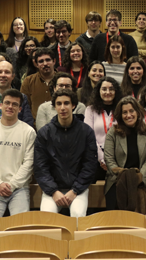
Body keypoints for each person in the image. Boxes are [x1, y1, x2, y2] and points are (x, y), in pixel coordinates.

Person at [34, 89, 98, 217]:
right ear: (54, 106)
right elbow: (41, 167)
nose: (63, 107)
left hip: (77, 189)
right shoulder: (44, 133)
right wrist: (53, 191)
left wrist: (75, 190)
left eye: (66, 103)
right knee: (47, 216)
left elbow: (90, 165)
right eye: (59, 104)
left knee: (77, 215)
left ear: (73, 105)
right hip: (53, 189)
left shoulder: (86, 132)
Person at [0, 89, 36, 217]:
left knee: (20, 226)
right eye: (7, 103)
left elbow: (29, 163)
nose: (10, 107)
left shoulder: (29, 132)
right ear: (0, 105)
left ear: (20, 109)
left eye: (14, 104)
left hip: (19, 188)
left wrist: (12, 185)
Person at [103, 96, 146, 210]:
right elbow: (109, 159)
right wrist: (125, 177)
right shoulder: (113, 133)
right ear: (120, 115)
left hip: (143, 179)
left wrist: (136, 178)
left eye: (131, 111)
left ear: (138, 112)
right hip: (117, 179)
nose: (128, 115)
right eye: (124, 112)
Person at [84, 77, 123, 179]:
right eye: (104, 89)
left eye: (111, 89)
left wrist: (110, 159)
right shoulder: (90, 110)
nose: (108, 92)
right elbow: (88, 136)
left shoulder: (121, 109)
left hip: (118, 156)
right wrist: (101, 158)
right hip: (96, 156)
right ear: (98, 91)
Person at [21, 48, 56, 119]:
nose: (45, 64)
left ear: (54, 61)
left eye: (48, 60)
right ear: (36, 64)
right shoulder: (28, 81)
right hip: (35, 126)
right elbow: (24, 106)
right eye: (41, 61)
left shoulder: (63, 79)